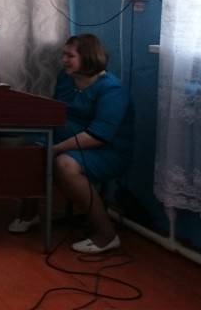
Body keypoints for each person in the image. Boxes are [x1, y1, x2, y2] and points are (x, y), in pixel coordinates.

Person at [8, 33, 134, 254]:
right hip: (65, 141)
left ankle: (106, 234)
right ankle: (29, 214)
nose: (64, 60)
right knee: (32, 150)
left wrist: (56, 149)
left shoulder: (112, 90)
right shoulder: (66, 78)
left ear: (88, 57)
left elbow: (98, 136)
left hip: (106, 151)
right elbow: (58, 113)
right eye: (64, 54)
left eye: (70, 56)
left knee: (65, 164)